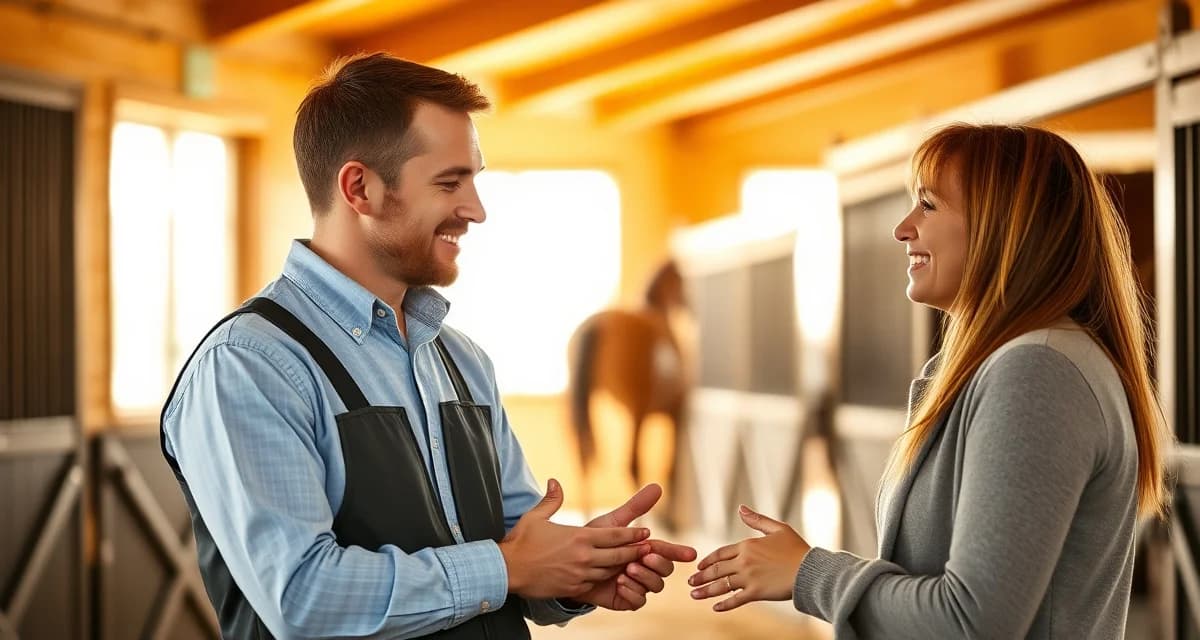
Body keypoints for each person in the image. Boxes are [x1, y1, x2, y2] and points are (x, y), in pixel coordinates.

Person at [160, 52, 695, 640]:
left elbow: (519, 548)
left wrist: (578, 568)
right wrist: (510, 566)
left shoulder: (462, 359)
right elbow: (302, 597)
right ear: (359, 188)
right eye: (449, 182)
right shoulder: (251, 366)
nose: (476, 210)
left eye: (475, 178)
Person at [687, 123, 1172, 638]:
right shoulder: (1012, 363)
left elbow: (970, 621)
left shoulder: (1037, 371)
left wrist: (810, 574)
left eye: (929, 205)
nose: (903, 228)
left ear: (1003, 225)